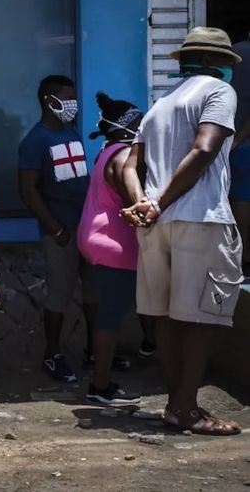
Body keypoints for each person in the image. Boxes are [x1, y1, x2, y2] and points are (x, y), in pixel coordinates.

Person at [122, 27, 244, 435]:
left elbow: (129, 166)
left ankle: (177, 405)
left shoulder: (160, 104)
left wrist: (145, 203)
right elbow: (204, 149)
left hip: (157, 226)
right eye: (226, 61)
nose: (229, 68)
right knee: (200, 319)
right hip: (200, 218)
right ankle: (187, 408)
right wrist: (158, 203)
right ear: (215, 62)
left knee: (166, 319)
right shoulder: (218, 92)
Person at [19, 75, 119, 383]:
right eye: (68, 98)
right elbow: (28, 190)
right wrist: (56, 227)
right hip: (59, 232)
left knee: (93, 291)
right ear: (50, 101)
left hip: (86, 227)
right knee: (59, 293)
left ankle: (94, 352)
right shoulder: (35, 141)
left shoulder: (73, 134)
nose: (73, 105)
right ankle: (53, 354)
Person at [77, 92, 146, 406]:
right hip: (114, 241)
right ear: (130, 126)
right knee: (111, 314)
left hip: (95, 235)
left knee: (109, 310)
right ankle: (100, 385)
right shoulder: (123, 157)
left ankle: (101, 375)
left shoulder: (106, 151)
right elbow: (136, 203)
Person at [228, 31, 250, 276]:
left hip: (235, 144)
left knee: (239, 201)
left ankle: (242, 257)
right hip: (241, 145)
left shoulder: (234, 53)